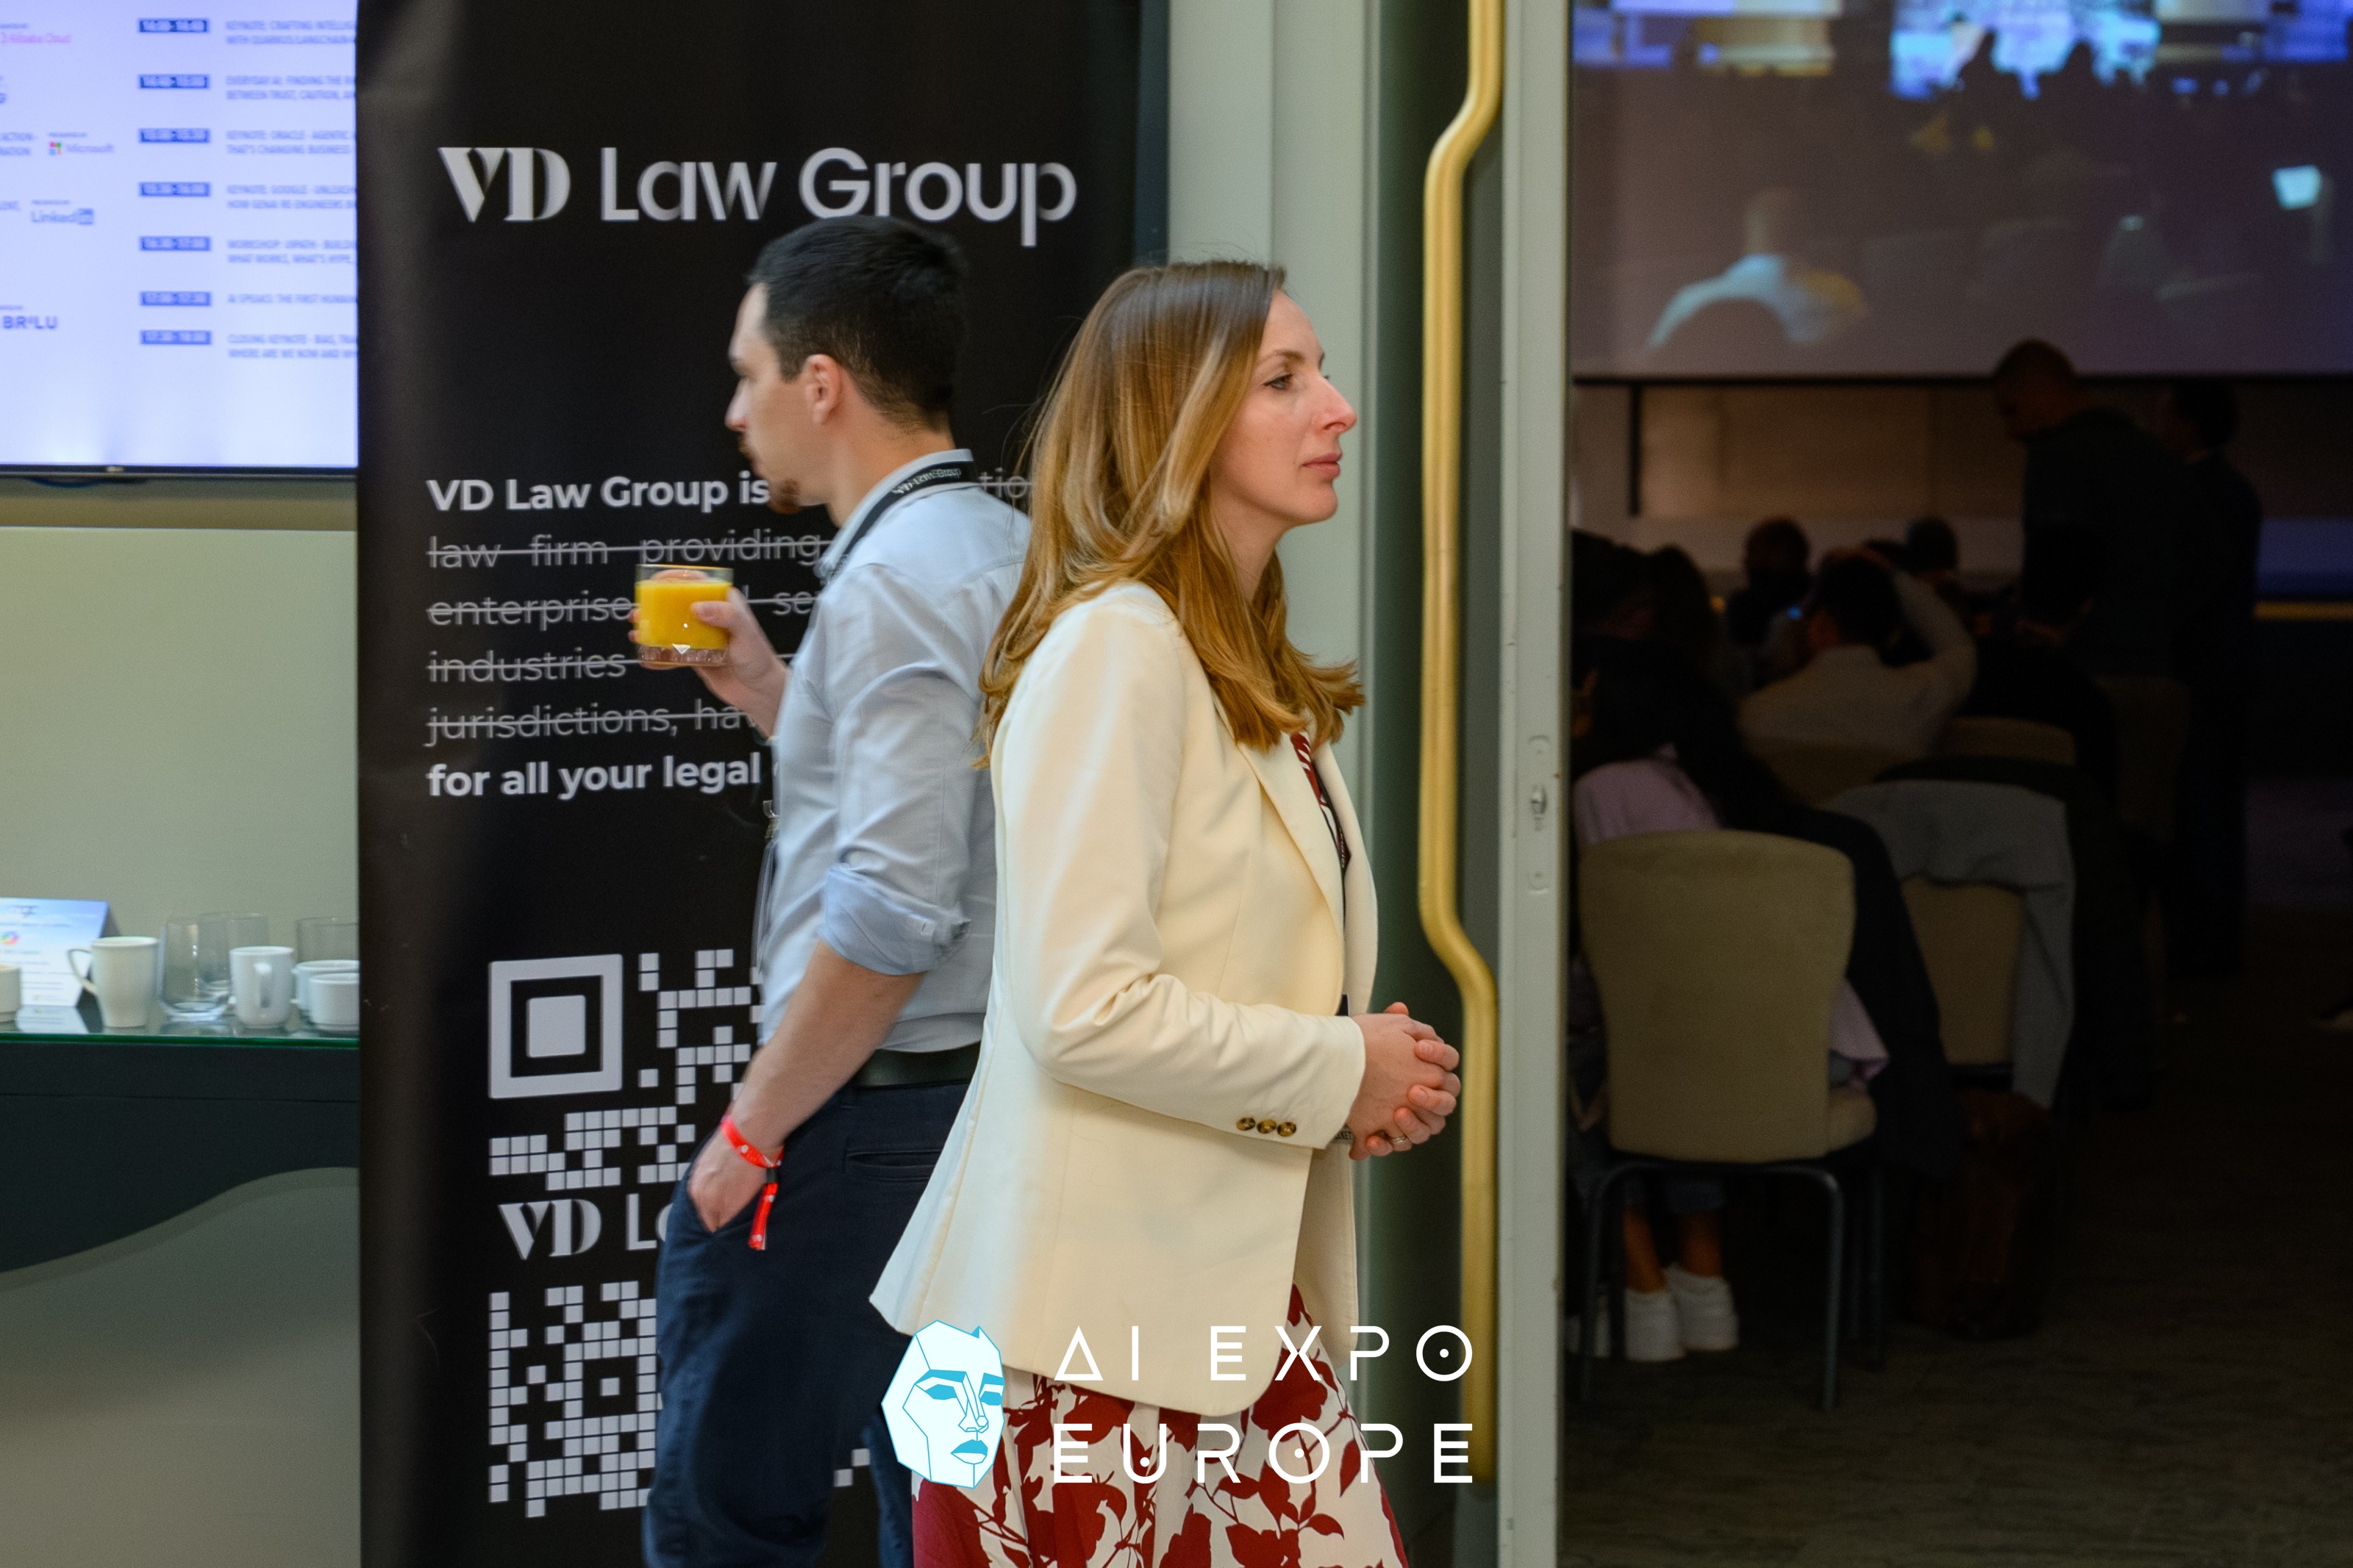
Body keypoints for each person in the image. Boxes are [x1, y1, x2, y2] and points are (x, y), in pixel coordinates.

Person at [873, 263, 1458, 1568]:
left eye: (1320, 373)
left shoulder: (1230, 656)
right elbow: (1084, 1008)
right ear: (1172, 420)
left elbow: (1205, 969)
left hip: (1201, 1313)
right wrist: (1337, 1066)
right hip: (1073, 1336)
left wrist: (1349, 1078)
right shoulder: (1117, 646)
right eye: (1284, 380)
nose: (1339, 408)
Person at [638, 218, 1028, 1568]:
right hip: (970, 1120)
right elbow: (952, 817)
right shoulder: (994, 542)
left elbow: (895, 911)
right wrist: (766, 687)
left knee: (728, 1519)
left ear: (822, 384)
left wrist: (750, 1135)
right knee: (949, 1515)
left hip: (862, 1129)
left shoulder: (900, 584)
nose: (734, 411)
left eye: (750, 375)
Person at [1571, 640, 1962, 1360]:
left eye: (1586, 702)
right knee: (1669, 1063)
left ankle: (1643, 1292)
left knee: (1556, 1076)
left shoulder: (1603, 788)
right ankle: (1703, 1280)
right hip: (1812, 1045)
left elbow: (1626, 953)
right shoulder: (1720, 783)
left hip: (1707, 1047)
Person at [1992, 340, 2184, 678]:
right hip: (2162, 667)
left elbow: (2062, 563)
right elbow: (2209, 557)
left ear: (2041, 392)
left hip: (2087, 670)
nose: (2010, 430)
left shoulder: (2058, 455)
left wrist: (2033, 629)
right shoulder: (2156, 453)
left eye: (2011, 410)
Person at [2157, 379, 2262, 975]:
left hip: (2199, 672)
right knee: (2217, 807)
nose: (2157, 428)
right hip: (2226, 669)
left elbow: (2197, 580)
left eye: (2165, 416)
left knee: (2196, 807)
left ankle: (2200, 944)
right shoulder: (2234, 489)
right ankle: (2216, 940)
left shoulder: (2193, 492)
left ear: (2188, 424)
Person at [1738, 549, 1977, 759]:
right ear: (1893, 635)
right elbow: (1958, 647)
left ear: (1821, 625)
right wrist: (1893, 574)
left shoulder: (1756, 715)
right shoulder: (1923, 698)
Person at [1961, 524, 2121, 802]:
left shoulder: (1963, 673)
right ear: (2086, 605)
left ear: (2020, 588)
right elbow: (2097, 805)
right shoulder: (2087, 705)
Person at [1647, 188, 1867, 357]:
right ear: (1805, 235)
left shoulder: (1692, 301)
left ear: (1745, 233)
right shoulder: (1843, 296)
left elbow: (1654, 360)